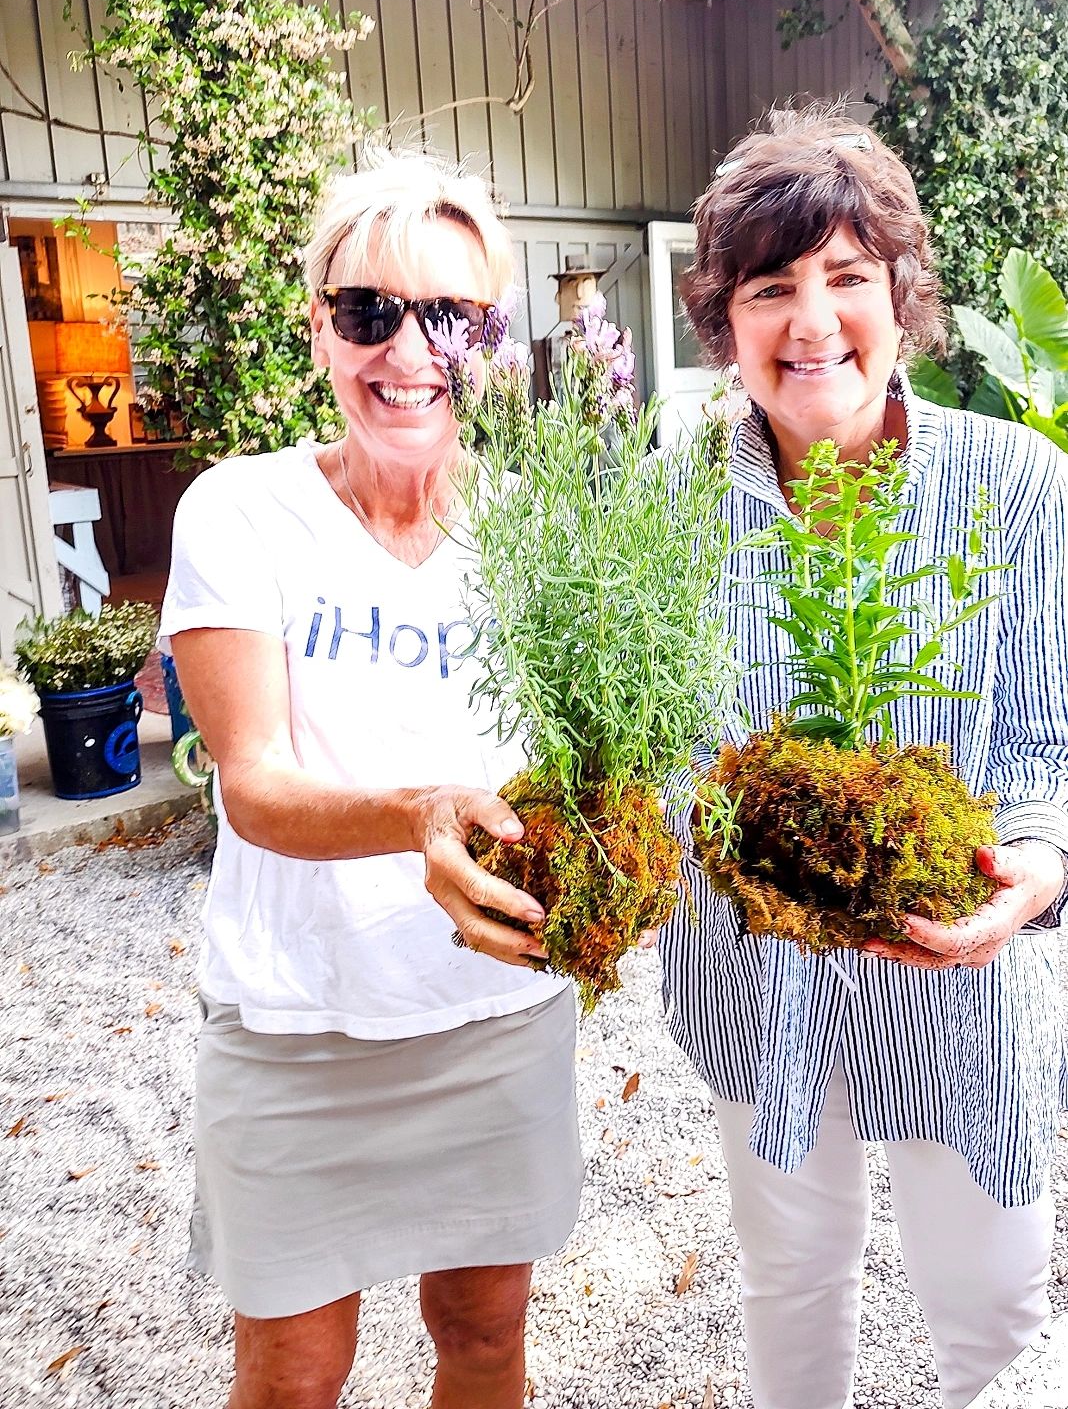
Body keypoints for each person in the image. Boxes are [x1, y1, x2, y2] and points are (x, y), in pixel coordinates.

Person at [660, 108, 1068, 1409]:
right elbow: (641, 749)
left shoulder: (1017, 487)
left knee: (998, 1312)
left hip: (960, 974)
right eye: (772, 286)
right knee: (793, 1283)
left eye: (848, 276)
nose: (814, 319)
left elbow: (1056, 735)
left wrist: (1040, 870)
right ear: (725, 324)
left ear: (903, 298)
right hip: (759, 976)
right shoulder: (666, 505)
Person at [161, 151, 583, 1409]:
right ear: (321, 328)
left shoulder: (536, 526)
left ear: (492, 339)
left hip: (492, 1010)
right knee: (294, 1371)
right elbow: (255, 785)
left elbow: (574, 765)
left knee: (487, 1336)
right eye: (370, 311)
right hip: (298, 1023)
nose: (411, 348)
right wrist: (418, 816)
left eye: (452, 314)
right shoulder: (241, 513)